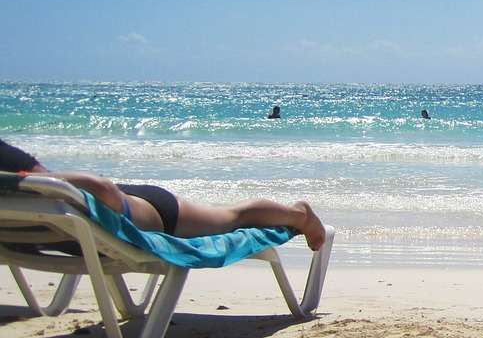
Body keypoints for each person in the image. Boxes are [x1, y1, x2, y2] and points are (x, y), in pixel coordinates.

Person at [0, 139, 327, 251]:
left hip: (147, 213)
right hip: (98, 210)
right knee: (231, 216)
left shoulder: (37, 188)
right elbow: (41, 176)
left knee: (233, 218)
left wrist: (22, 180)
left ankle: (300, 215)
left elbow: (94, 186)